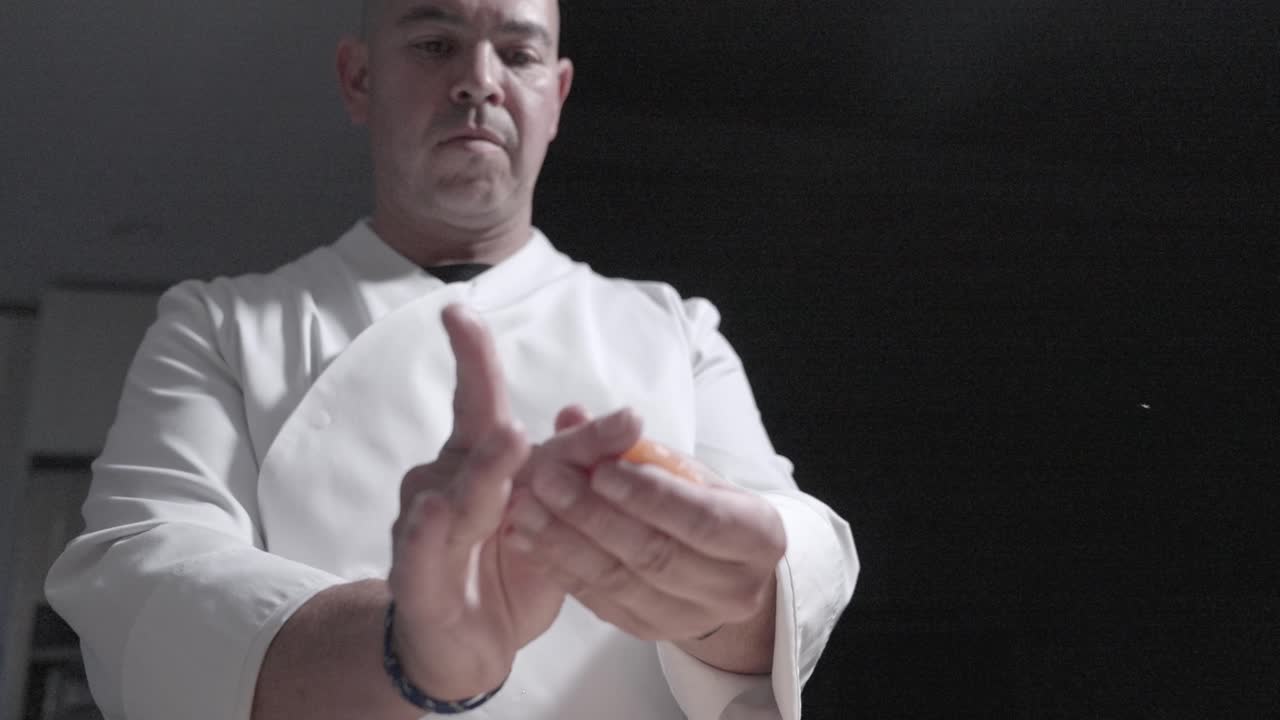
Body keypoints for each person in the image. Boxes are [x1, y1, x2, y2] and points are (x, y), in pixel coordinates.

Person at [44, 0, 858, 717]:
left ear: (557, 96)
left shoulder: (674, 330)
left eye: (518, 51)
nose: (479, 79)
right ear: (358, 77)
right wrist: (407, 649)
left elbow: (787, 537)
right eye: (435, 43)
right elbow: (144, 583)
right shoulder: (217, 327)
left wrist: (727, 593)